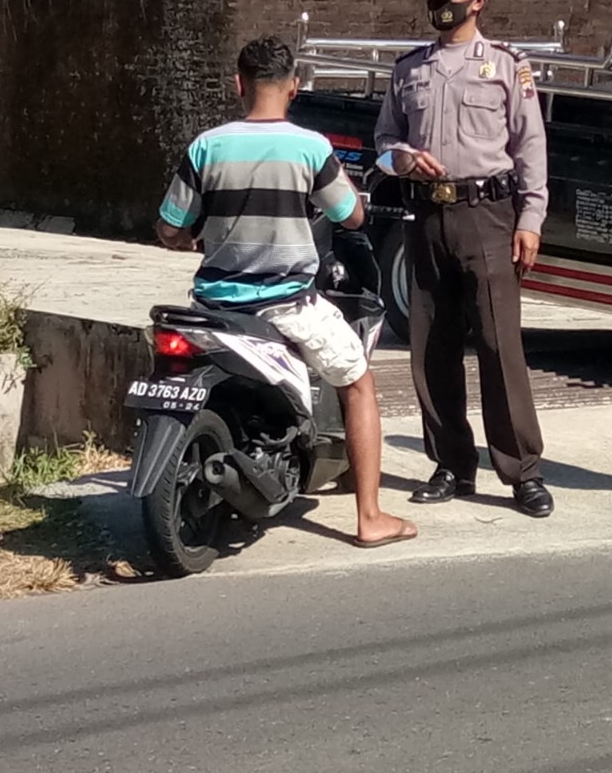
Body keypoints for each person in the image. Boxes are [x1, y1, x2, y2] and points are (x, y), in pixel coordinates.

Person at [154, 34, 417, 549]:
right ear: (294, 87)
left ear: (239, 84)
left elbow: (168, 229)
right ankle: (370, 516)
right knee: (358, 381)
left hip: (212, 308)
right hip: (285, 305)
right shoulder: (310, 148)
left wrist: (191, 236)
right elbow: (351, 215)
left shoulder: (206, 145)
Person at [373, 0, 553, 518]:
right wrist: (403, 160)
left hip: (488, 216)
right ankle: (451, 462)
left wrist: (530, 220)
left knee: (500, 345)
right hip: (427, 219)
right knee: (432, 348)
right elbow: (383, 141)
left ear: (478, 1)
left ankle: (522, 470)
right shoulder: (409, 70)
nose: (439, 5)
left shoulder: (505, 66)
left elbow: (529, 147)